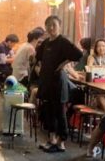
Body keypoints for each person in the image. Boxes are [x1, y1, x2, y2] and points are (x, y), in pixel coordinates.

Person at [36, 16, 83, 153]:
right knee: (48, 111)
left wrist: (63, 64)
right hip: (46, 80)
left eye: (54, 25)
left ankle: (62, 141)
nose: (51, 28)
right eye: (48, 25)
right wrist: (40, 69)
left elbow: (78, 55)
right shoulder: (45, 43)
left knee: (60, 111)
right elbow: (38, 58)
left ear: (59, 26)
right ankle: (52, 139)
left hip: (58, 81)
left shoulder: (63, 42)